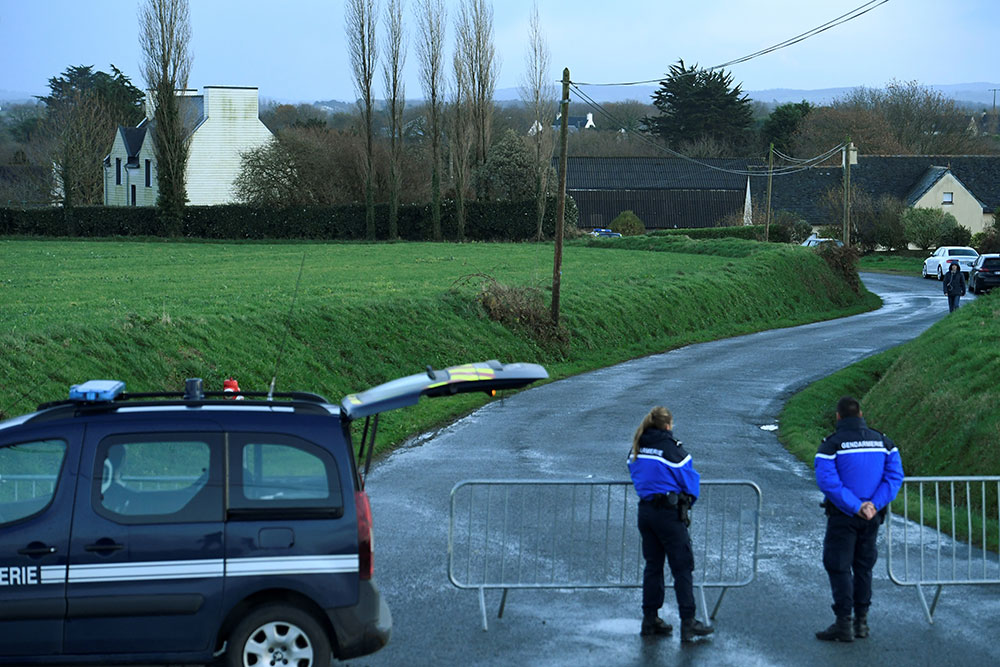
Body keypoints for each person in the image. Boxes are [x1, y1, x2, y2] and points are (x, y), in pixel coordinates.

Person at [814, 396, 904, 642]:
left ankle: (844, 623)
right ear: (861, 415)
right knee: (863, 568)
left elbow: (828, 482)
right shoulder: (884, 442)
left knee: (839, 566)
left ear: (838, 417)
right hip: (872, 517)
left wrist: (856, 506)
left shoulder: (831, 446)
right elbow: (895, 476)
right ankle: (862, 622)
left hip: (843, 515)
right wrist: (874, 505)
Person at [627, 406, 714, 642]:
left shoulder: (638, 446)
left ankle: (650, 619)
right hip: (668, 514)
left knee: (653, 566)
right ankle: (688, 623)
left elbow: (633, 471)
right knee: (682, 567)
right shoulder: (672, 450)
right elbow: (690, 480)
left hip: (645, 512)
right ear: (667, 425)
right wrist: (687, 502)